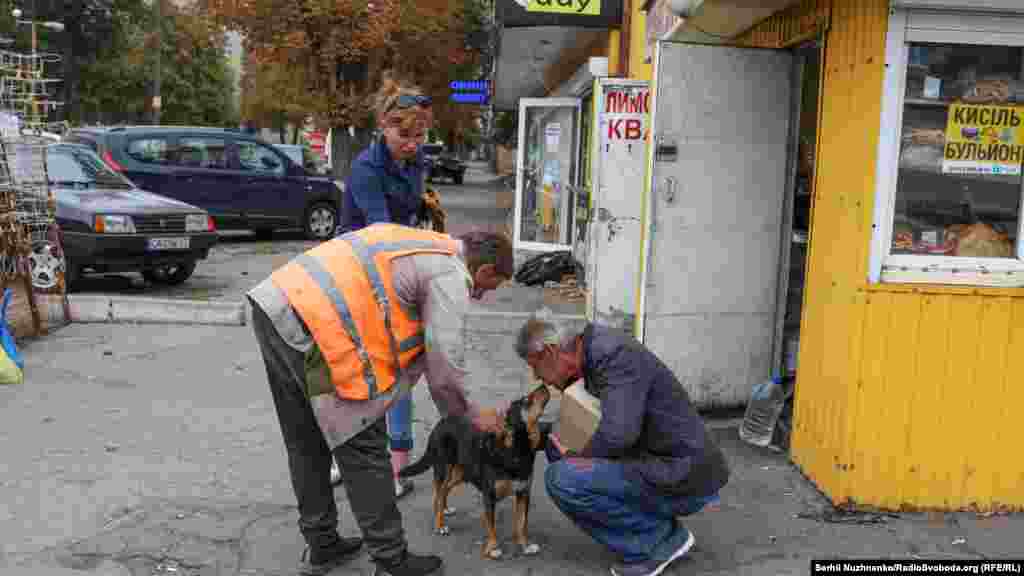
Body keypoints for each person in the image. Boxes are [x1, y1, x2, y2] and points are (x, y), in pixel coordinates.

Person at [248, 223, 513, 576]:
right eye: (487, 288)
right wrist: (469, 418)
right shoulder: (450, 272)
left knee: (305, 439)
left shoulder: (422, 242)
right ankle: (391, 561)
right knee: (364, 446)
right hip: (318, 328)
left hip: (276, 305)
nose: (477, 296)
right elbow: (445, 360)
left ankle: (322, 543)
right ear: (485, 270)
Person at [515, 313, 730, 576]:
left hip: (684, 472)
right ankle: (653, 528)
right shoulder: (590, 351)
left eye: (535, 366)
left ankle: (657, 542)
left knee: (563, 477)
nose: (538, 377)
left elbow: (618, 435)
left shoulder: (613, 355)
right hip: (657, 458)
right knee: (557, 449)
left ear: (551, 352)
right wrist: (540, 435)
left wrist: (575, 456)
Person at [336, 74, 438, 498]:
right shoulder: (365, 169)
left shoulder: (415, 162)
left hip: (397, 268)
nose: (412, 144)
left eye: (420, 136)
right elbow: (380, 234)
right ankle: (342, 458)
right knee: (357, 373)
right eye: (404, 135)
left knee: (399, 374)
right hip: (358, 270)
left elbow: (410, 215)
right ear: (383, 126)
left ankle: (398, 469)